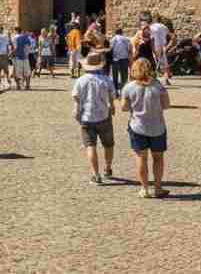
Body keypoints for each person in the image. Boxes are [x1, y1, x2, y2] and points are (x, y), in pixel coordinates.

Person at [120, 58, 170, 198]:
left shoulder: (129, 87)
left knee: (141, 158)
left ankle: (144, 189)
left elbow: (124, 108)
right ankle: (158, 188)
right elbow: (166, 105)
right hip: (157, 126)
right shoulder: (158, 86)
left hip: (137, 126)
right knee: (158, 158)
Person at [71, 49, 116, 185]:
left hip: (87, 116)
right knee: (108, 144)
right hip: (104, 115)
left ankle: (96, 175)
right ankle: (107, 169)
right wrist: (112, 107)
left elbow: (76, 98)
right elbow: (112, 97)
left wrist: (76, 111)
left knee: (90, 146)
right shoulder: (106, 79)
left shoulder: (81, 80)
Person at [148, 18, 173, 87]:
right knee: (164, 64)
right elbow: (172, 36)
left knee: (154, 63)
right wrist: (168, 45)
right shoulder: (164, 27)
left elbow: (150, 38)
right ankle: (166, 79)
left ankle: (153, 79)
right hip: (162, 46)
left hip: (155, 45)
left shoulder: (151, 27)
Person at [109, 27, 131, 94]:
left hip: (115, 60)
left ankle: (115, 91)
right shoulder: (126, 39)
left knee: (115, 76)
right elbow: (129, 49)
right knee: (124, 77)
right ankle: (123, 91)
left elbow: (111, 49)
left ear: (115, 32)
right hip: (124, 59)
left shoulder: (113, 39)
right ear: (121, 32)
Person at [12, 26, 32, 91]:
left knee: (18, 73)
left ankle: (18, 86)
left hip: (18, 57)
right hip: (25, 57)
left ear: (16, 31)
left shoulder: (15, 37)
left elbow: (15, 48)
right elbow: (29, 46)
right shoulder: (27, 37)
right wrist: (26, 54)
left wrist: (11, 54)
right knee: (27, 72)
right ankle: (27, 85)